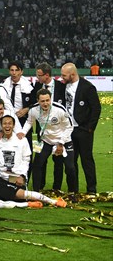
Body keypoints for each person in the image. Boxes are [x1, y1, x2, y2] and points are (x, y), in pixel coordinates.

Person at [24, 89, 78, 193]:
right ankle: (36, 191)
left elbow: (70, 127)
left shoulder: (59, 109)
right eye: (42, 101)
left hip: (64, 140)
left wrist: (61, 143)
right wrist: (22, 132)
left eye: (47, 100)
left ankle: (73, 192)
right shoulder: (33, 110)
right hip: (46, 140)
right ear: (38, 101)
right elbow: (29, 122)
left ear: (51, 99)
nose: (45, 103)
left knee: (70, 167)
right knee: (37, 164)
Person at [60, 63, 101, 194]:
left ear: (72, 74)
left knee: (86, 160)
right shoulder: (63, 87)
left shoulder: (87, 87)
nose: (62, 78)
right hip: (68, 130)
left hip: (83, 130)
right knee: (70, 162)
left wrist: (90, 128)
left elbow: (96, 108)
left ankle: (91, 190)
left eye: (64, 75)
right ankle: (73, 190)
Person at [0, 115, 31, 188]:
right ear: (1, 126)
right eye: (4, 124)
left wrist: (22, 176)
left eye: (10, 123)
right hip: (1, 176)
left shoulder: (22, 140)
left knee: (18, 198)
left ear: (14, 125)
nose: (7, 126)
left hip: (17, 177)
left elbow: (26, 160)